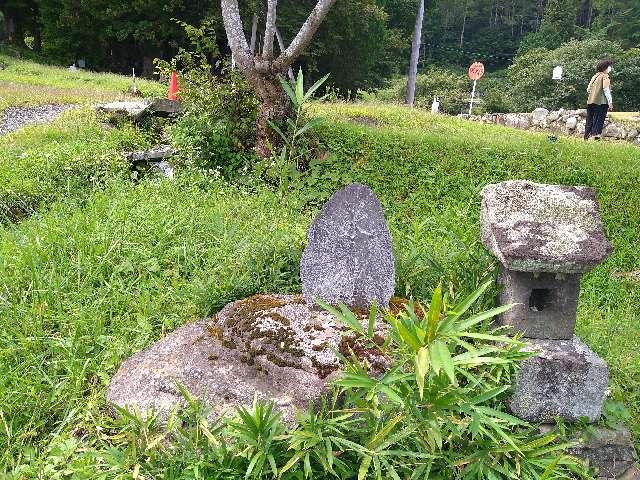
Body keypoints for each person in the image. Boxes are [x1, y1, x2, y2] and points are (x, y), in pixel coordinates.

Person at [584, 59, 614, 140]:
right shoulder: (605, 76)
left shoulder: (595, 76)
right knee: (599, 120)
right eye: (609, 66)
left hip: (591, 101)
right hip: (601, 102)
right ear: (605, 68)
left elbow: (588, 89)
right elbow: (606, 90)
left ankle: (586, 137)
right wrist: (610, 102)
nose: (610, 68)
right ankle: (595, 137)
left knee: (590, 119)